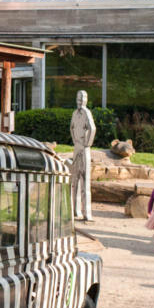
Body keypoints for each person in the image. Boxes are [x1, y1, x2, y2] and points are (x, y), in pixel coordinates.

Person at [69, 90, 97, 221]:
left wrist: (87, 143)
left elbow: (92, 128)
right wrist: (75, 141)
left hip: (84, 148)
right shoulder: (75, 113)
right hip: (77, 147)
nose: (80, 100)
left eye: (83, 98)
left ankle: (87, 213)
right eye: (78, 98)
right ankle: (75, 210)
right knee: (75, 179)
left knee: (85, 181)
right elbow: (71, 127)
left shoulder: (87, 113)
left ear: (86, 99)